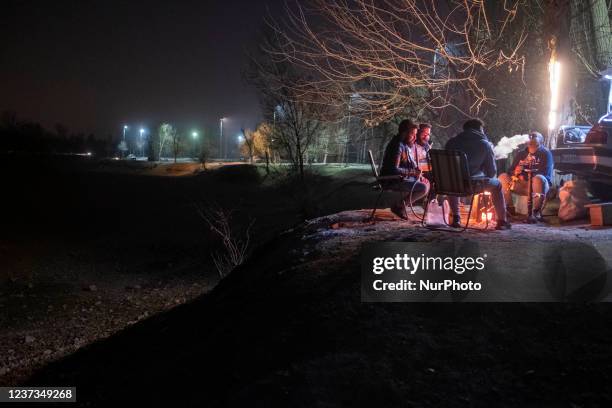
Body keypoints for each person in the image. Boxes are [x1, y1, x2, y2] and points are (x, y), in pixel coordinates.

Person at [444, 119, 511, 230]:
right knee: (498, 184)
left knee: (454, 180)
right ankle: (502, 221)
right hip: (471, 185)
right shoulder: (484, 144)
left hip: (449, 185)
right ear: (480, 129)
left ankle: (456, 217)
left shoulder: (451, 142)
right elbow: (491, 173)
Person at [380, 119, 430, 219]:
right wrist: (412, 173)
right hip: (391, 180)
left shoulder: (405, 144)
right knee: (423, 188)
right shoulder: (397, 145)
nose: (415, 137)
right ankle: (399, 206)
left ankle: (401, 206)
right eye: (413, 134)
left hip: (399, 178)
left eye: (416, 134)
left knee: (426, 183)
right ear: (404, 133)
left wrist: (417, 173)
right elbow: (394, 169)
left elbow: (410, 163)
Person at [499, 131, 553, 222]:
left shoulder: (545, 153)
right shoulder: (521, 154)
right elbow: (510, 171)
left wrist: (526, 175)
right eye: (530, 136)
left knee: (538, 178)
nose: (531, 137)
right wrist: (515, 172)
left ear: (541, 141)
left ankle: (536, 212)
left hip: (537, 185)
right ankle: (509, 209)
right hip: (522, 185)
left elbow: (545, 173)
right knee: (502, 177)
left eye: (534, 136)